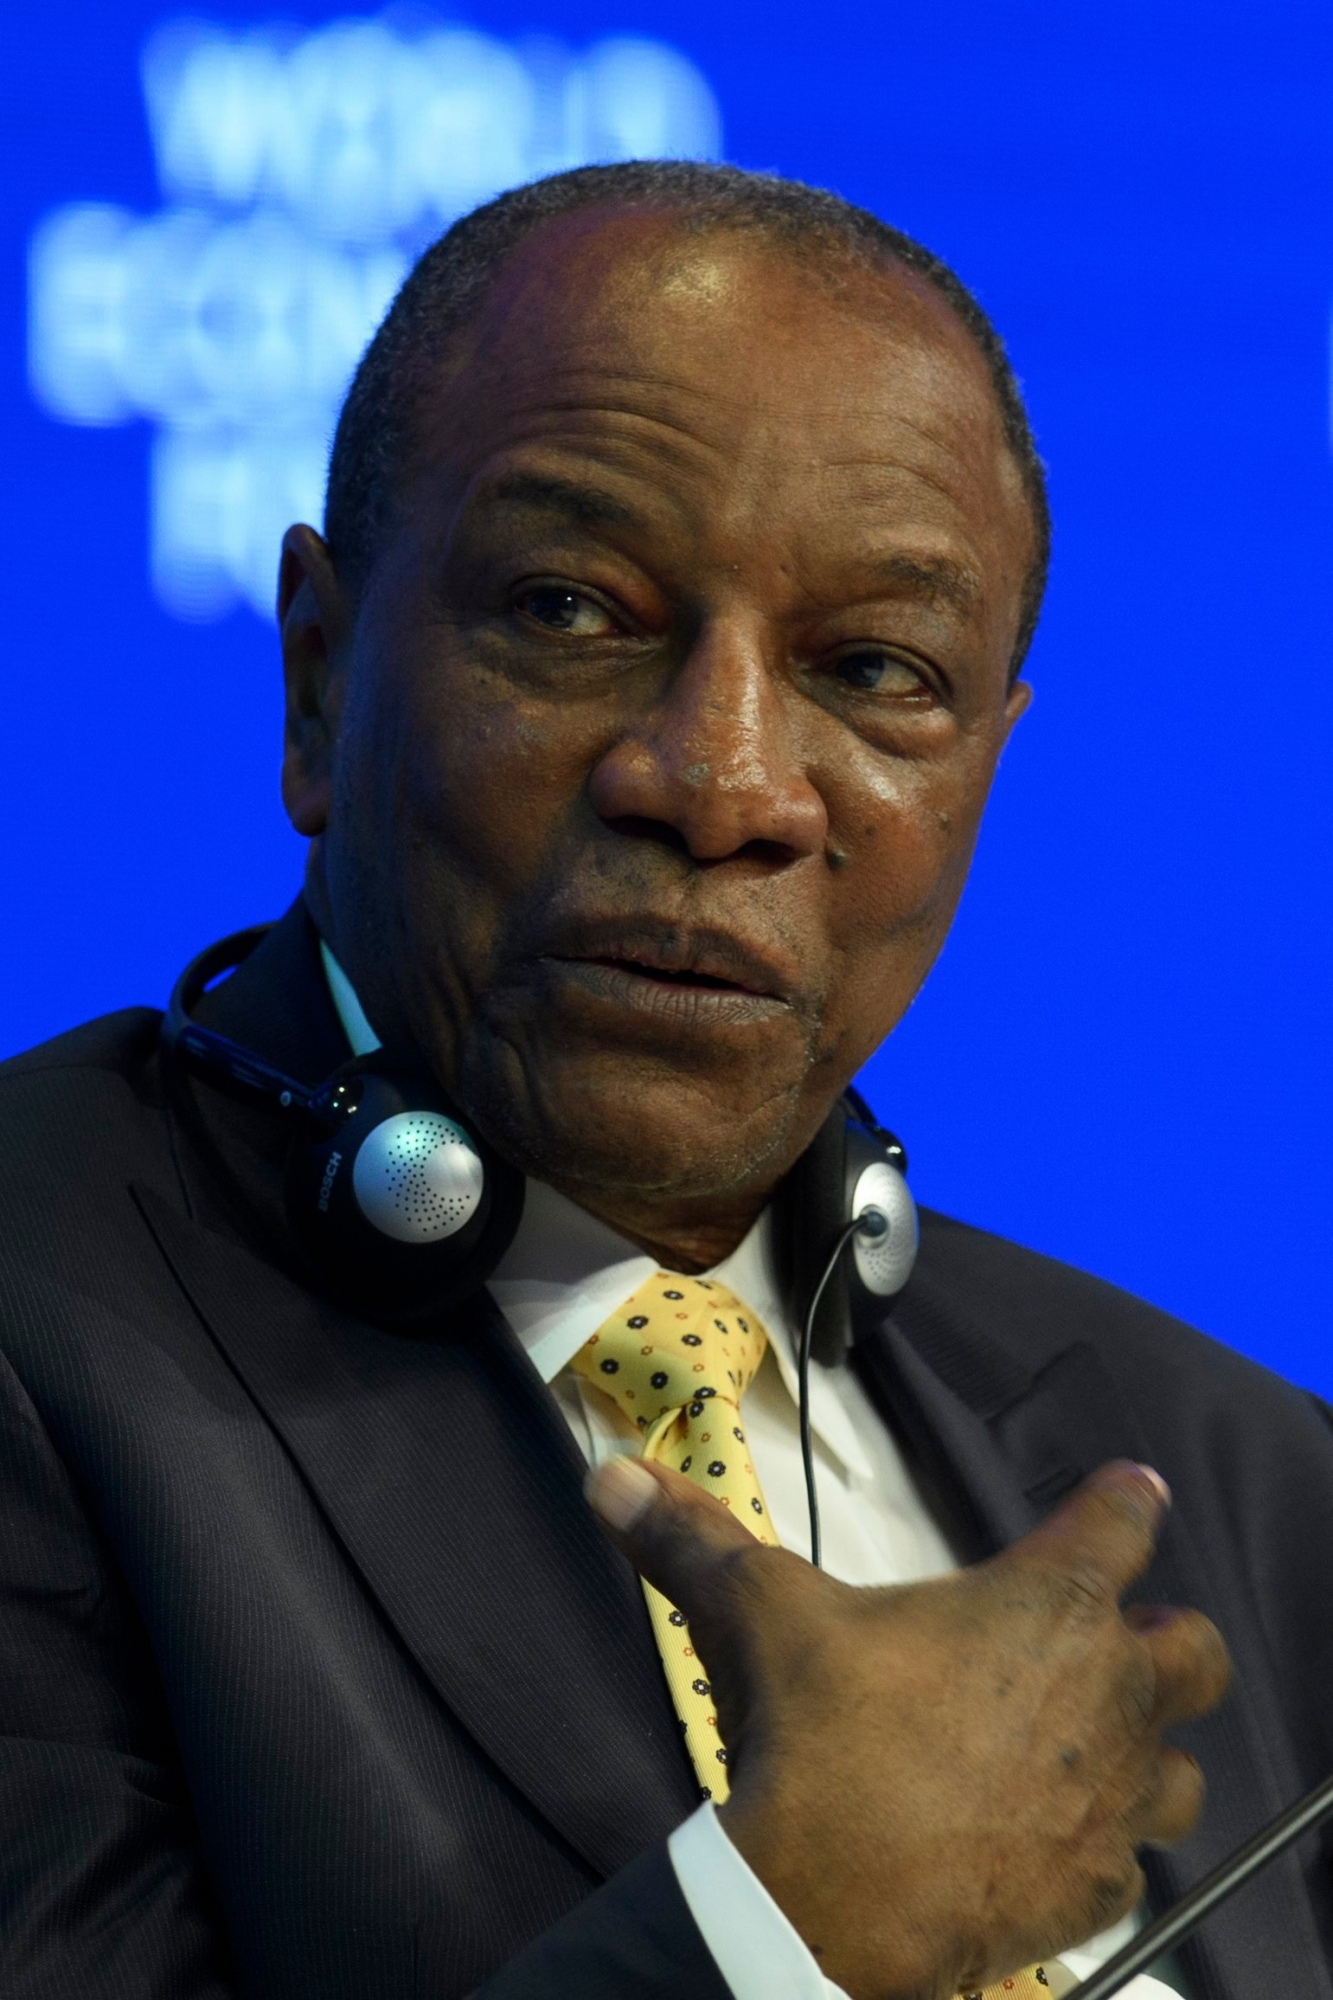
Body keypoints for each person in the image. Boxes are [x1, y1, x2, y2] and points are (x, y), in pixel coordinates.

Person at [1, 161, 1330, 2000]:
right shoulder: (39, 1328)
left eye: (874, 668)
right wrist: (784, 1931)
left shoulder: (1250, 1483)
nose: (722, 788)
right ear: (317, 680)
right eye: (567, 610)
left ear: (986, 774)